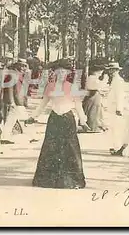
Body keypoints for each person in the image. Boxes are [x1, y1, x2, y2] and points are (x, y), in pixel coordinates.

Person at [27, 58, 88, 189]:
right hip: (54, 118)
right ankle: (48, 179)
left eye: (63, 72)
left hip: (67, 118)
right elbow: (43, 103)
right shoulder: (50, 86)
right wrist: (33, 116)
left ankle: (72, 179)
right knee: (51, 147)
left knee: (70, 148)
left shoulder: (72, 87)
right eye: (57, 72)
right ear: (54, 73)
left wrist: (83, 121)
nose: (60, 75)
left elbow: (78, 105)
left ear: (67, 74)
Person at [0, 58, 29, 144]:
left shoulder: (20, 74)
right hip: (15, 101)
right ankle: (5, 136)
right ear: (17, 65)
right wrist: (11, 101)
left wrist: (24, 100)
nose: (24, 67)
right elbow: (9, 89)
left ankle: (5, 136)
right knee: (14, 119)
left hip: (19, 100)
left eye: (25, 66)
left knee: (18, 119)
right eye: (22, 65)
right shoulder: (12, 74)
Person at [105, 63, 126, 155]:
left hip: (116, 108)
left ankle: (117, 148)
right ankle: (116, 146)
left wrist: (119, 108)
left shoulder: (118, 81)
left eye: (113, 70)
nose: (111, 71)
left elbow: (120, 95)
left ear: (117, 70)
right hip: (112, 107)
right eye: (110, 69)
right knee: (113, 128)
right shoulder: (113, 80)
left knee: (117, 128)